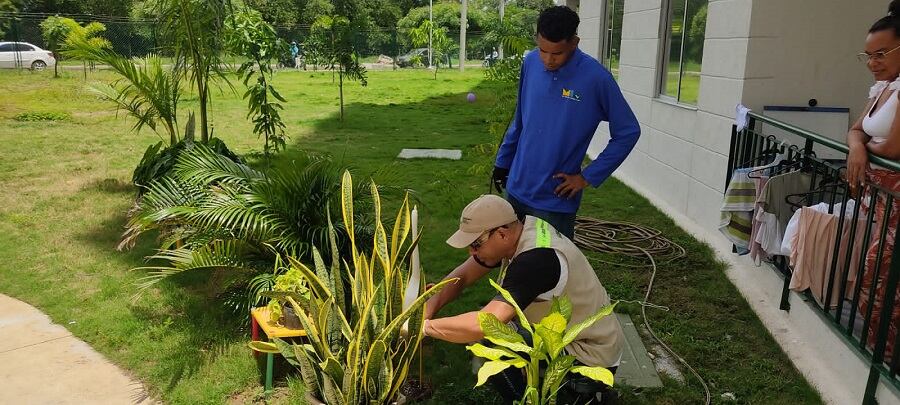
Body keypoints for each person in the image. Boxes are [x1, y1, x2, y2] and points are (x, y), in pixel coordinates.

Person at [423, 195, 624, 404]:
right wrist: (427, 307)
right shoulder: (521, 229)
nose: (471, 251)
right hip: (586, 335)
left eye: (475, 244)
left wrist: (423, 327)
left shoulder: (535, 261)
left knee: (494, 337)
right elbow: (462, 276)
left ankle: (556, 396)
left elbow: (482, 323)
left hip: (589, 353)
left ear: (501, 234)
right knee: (503, 326)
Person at [492, 5, 640, 239]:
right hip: (516, 189)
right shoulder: (530, 62)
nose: (548, 60)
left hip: (554, 200)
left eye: (557, 53)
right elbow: (521, 119)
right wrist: (503, 162)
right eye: (543, 50)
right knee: (513, 265)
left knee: (549, 270)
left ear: (575, 42)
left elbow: (628, 132)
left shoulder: (596, 78)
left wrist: (587, 177)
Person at [845, 0, 900, 363]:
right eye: (867, 55)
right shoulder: (882, 89)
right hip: (882, 204)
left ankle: (884, 359)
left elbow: (894, 146)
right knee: (877, 277)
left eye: (881, 53)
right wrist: (858, 149)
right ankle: (878, 354)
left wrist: (867, 145)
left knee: (879, 276)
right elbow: (855, 130)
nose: (872, 63)